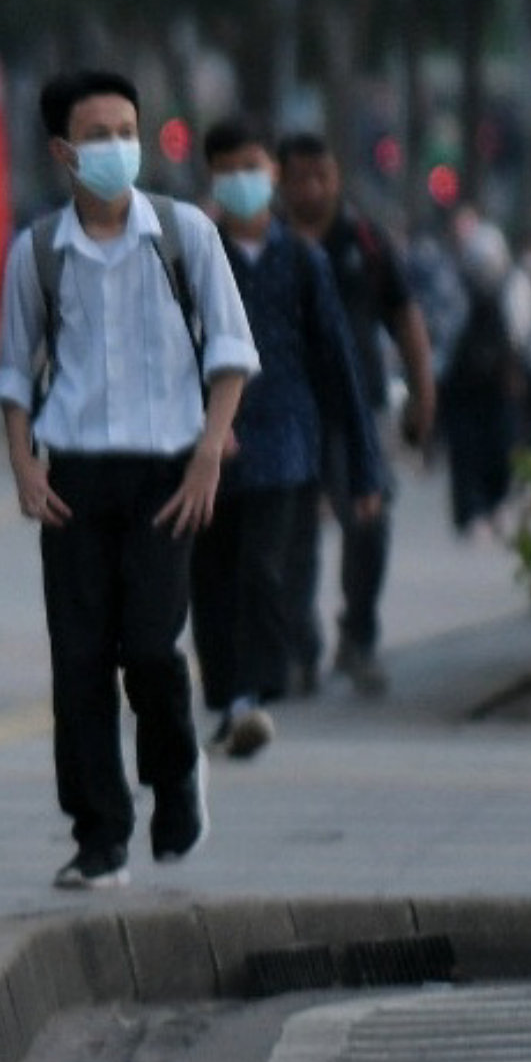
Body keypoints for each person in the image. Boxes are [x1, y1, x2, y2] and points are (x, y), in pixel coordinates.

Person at [0, 68, 255, 894]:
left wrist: (210, 449)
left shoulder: (184, 236)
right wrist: (23, 463)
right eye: (97, 135)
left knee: (149, 647)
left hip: (167, 474)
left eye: (126, 131)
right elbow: (10, 373)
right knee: (79, 664)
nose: (116, 148)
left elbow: (231, 352)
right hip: (75, 477)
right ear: (65, 151)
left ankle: (175, 778)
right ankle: (99, 835)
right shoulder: (37, 253)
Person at [188, 119, 386, 759]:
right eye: (229, 169)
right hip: (206, 446)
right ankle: (227, 697)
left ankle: (253, 694)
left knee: (264, 572)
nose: (243, 180)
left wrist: (363, 469)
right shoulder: (194, 255)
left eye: (254, 166)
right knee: (211, 578)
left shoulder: (305, 260)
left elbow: (338, 365)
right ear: (212, 178)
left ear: (271, 172)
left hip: (284, 441)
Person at [273, 133, 432, 697]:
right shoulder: (266, 240)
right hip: (284, 412)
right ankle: (297, 650)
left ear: (337, 176)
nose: (313, 188)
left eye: (323, 176)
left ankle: (357, 636)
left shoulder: (365, 239)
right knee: (291, 537)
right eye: (300, 177)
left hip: (356, 410)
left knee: (369, 520)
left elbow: (406, 317)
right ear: (281, 180)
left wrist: (423, 394)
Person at [435, 212, 531, 538]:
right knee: (466, 453)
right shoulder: (457, 285)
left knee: (501, 448)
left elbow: (525, 333)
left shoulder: (515, 285)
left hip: (500, 384)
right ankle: (471, 513)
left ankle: (495, 506)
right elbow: (446, 334)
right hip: (466, 386)